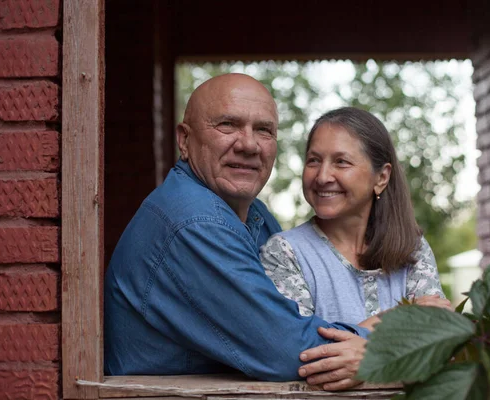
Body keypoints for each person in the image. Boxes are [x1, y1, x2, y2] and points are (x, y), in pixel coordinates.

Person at [104, 74, 370, 390]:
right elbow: (289, 350)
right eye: (227, 125)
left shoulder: (255, 214)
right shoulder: (195, 222)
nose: (248, 144)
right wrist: (387, 335)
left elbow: (299, 314)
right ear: (184, 140)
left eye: (264, 130)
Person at [260, 107, 451, 340]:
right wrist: (398, 318)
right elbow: (296, 346)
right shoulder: (284, 252)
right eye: (313, 161)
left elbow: (439, 338)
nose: (322, 176)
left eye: (341, 162)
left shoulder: (413, 248)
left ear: (381, 177)